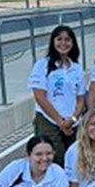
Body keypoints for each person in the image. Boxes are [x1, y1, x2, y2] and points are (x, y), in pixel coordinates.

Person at [28, 25, 86, 164]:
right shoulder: (42, 65)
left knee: (74, 161)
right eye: (59, 39)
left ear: (73, 43)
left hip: (72, 123)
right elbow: (40, 97)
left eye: (67, 40)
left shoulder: (77, 68)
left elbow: (80, 99)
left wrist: (72, 119)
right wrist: (60, 122)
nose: (63, 43)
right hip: (49, 121)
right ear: (53, 42)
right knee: (54, 160)